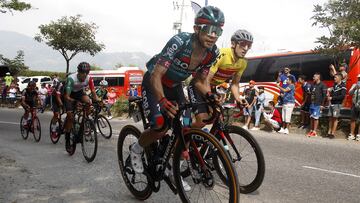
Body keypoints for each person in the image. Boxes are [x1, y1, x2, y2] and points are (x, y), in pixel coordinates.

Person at [129, 5, 224, 185]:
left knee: (186, 128)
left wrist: (210, 95)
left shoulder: (212, 52)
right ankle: (137, 148)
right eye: (209, 29)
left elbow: (198, 81)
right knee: (160, 125)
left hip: (175, 86)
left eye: (218, 30)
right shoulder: (179, 42)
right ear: (197, 29)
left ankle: (175, 168)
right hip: (154, 82)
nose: (213, 35)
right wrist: (163, 100)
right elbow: (157, 74)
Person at [189, 29, 253, 129]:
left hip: (212, 87)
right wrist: (211, 97)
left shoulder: (243, 62)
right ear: (233, 43)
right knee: (202, 120)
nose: (245, 48)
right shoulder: (222, 54)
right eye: (242, 44)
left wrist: (238, 99)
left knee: (215, 118)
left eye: (249, 45)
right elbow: (207, 79)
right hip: (199, 85)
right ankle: (184, 137)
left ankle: (201, 137)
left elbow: (235, 84)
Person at [63, 62, 99, 147]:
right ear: (78, 72)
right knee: (70, 117)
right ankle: (67, 138)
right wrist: (75, 101)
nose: (85, 75)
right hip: (68, 94)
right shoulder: (71, 78)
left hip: (79, 92)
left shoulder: (89, 78)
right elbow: (67, 96)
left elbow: (93, 92)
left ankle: (86, 120)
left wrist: (98, 100)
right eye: (83, 73)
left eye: (87, 73)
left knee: (88, 101)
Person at [307, 73, 327, 137]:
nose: (313, 78)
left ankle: (315, 132)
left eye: (314, 77)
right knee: (311, 117)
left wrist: (322, 105)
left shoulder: (323, 85)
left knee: (316, 118)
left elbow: (324, 96)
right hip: (312, 103)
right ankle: (311, 130)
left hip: (318, 104)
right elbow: (310, 92)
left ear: (318, 77)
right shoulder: (313, 85)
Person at [326, 73, 346, 139]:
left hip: (337, 104)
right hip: (331, 104)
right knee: (330, 118)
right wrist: (329, 94)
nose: (334, 79)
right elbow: (331, 93)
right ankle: (329, 132)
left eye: (336, 77)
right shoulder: (334, 85)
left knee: (335, 119)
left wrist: (332, 98)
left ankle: (332, 133)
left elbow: (342, 96)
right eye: (334, 77)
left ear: (340, 78)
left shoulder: (343, 86)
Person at [348, 74, 360, 141]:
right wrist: (355, 88)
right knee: (353, 119)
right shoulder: (354, 85)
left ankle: (359, 135)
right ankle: (352, 134)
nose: (359, 80)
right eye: (358, 78)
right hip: (354, 104)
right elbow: (349, 93)